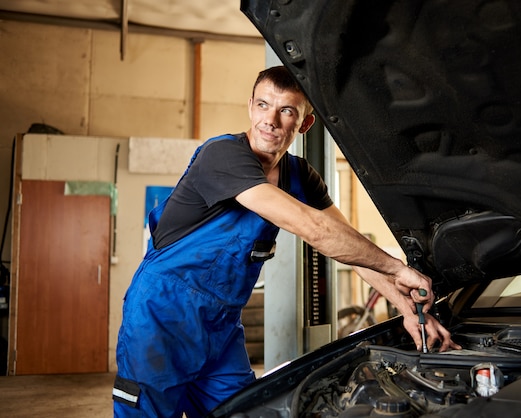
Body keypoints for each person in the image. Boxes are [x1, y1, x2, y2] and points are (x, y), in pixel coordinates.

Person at [113, 65, 460, 417]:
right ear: (250, 106)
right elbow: (316, 230)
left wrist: (407, 310)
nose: (271, 120)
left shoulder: (301, 175)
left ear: (304, 124)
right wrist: (397, 267)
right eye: (263, 105)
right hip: (160, 318)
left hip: (220, 328)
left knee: (241, 410)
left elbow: (349, 247)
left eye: (287, 111)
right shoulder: (221, 156)